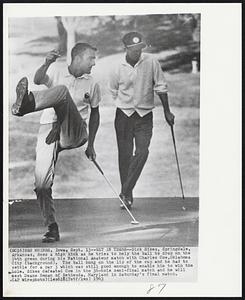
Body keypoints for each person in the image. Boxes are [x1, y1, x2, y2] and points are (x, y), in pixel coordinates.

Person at [11, 43, 101, 242]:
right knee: (42, 184)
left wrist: (91, 144)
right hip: (48, 126)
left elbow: (95, 113)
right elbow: (37, 79)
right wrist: (47, 62)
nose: (94, 63)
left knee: (61, 92)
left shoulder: (92, 83)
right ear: (77, 58)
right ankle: (52, 227)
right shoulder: (58, 71)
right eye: (91, 58)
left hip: (74, 131)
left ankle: (25, 106)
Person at [108, 32, 175, 209]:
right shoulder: (117, 66)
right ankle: (128, 196)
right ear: (125, 49)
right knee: (125, 156)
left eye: (140, 49)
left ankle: (125, 190)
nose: (137, 52)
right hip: (124, 115)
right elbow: (113, 90)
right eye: (133, 49)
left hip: (145, 115)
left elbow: (160, 85)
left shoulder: (151, 61)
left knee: (143, 152)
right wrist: (125, 104)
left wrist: (167, 111)